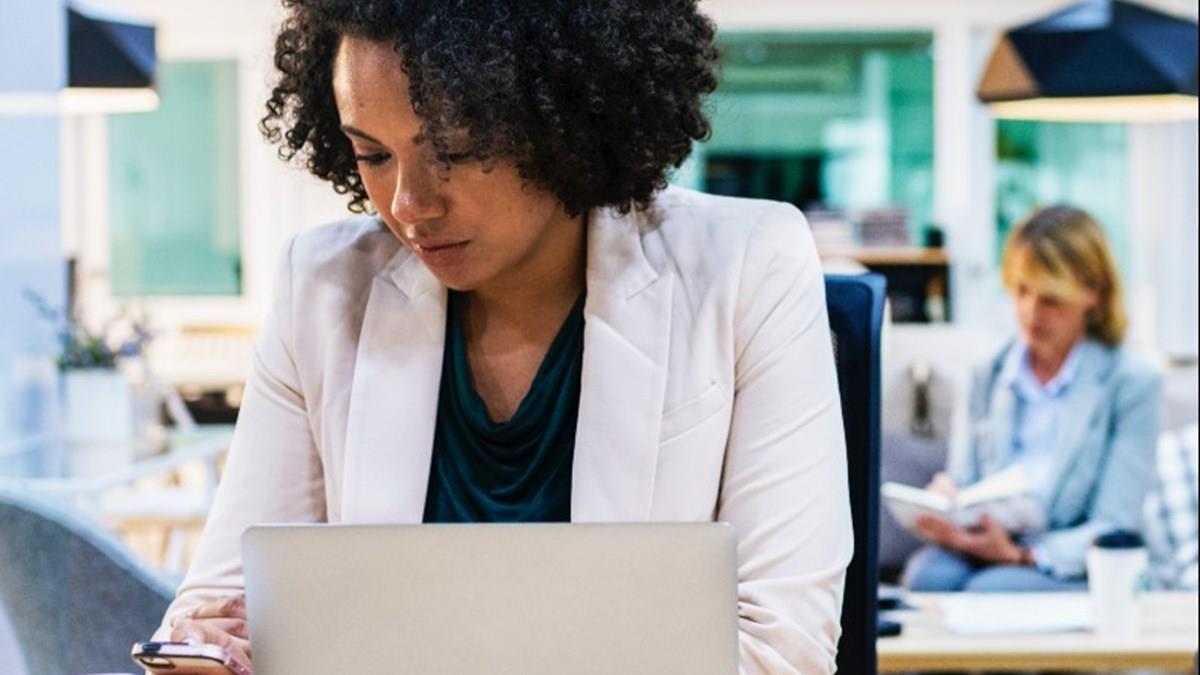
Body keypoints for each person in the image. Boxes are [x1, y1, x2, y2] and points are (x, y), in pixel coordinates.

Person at [152, 1, 853, 673]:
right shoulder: (321, 287)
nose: (409, 204)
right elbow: (221, 610)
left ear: (563, 117)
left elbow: (779, 650)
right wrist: (208, 650)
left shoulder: (749, 266)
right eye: (373, 155)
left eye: (453, 150)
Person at [903, 205, 1162, 592]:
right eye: (1021, 291)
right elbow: (965, 479)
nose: (1030, 312)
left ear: (1093, 293)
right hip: (988, 543)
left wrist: (1021, 555)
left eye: (1051, 299)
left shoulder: (1132, 382)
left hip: (1073, 562)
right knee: (926, 578)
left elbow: (1114, 525)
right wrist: (947, 501)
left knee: (994, 589)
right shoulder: (986, 373)